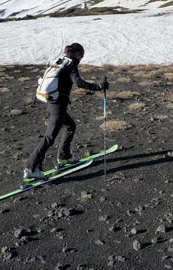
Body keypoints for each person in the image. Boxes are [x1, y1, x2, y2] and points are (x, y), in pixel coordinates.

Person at [24, 43, 109, 180]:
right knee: (49, 137)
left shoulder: (59, 61)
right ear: (77, 54)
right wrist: (98, 87)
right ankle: (31, 168)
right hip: (58, 105)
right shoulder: (71, 64)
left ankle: (64, 157)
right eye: (81, 55)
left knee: (70, 126)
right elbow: (79, 83)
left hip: (52, 102)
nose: (81, 59)